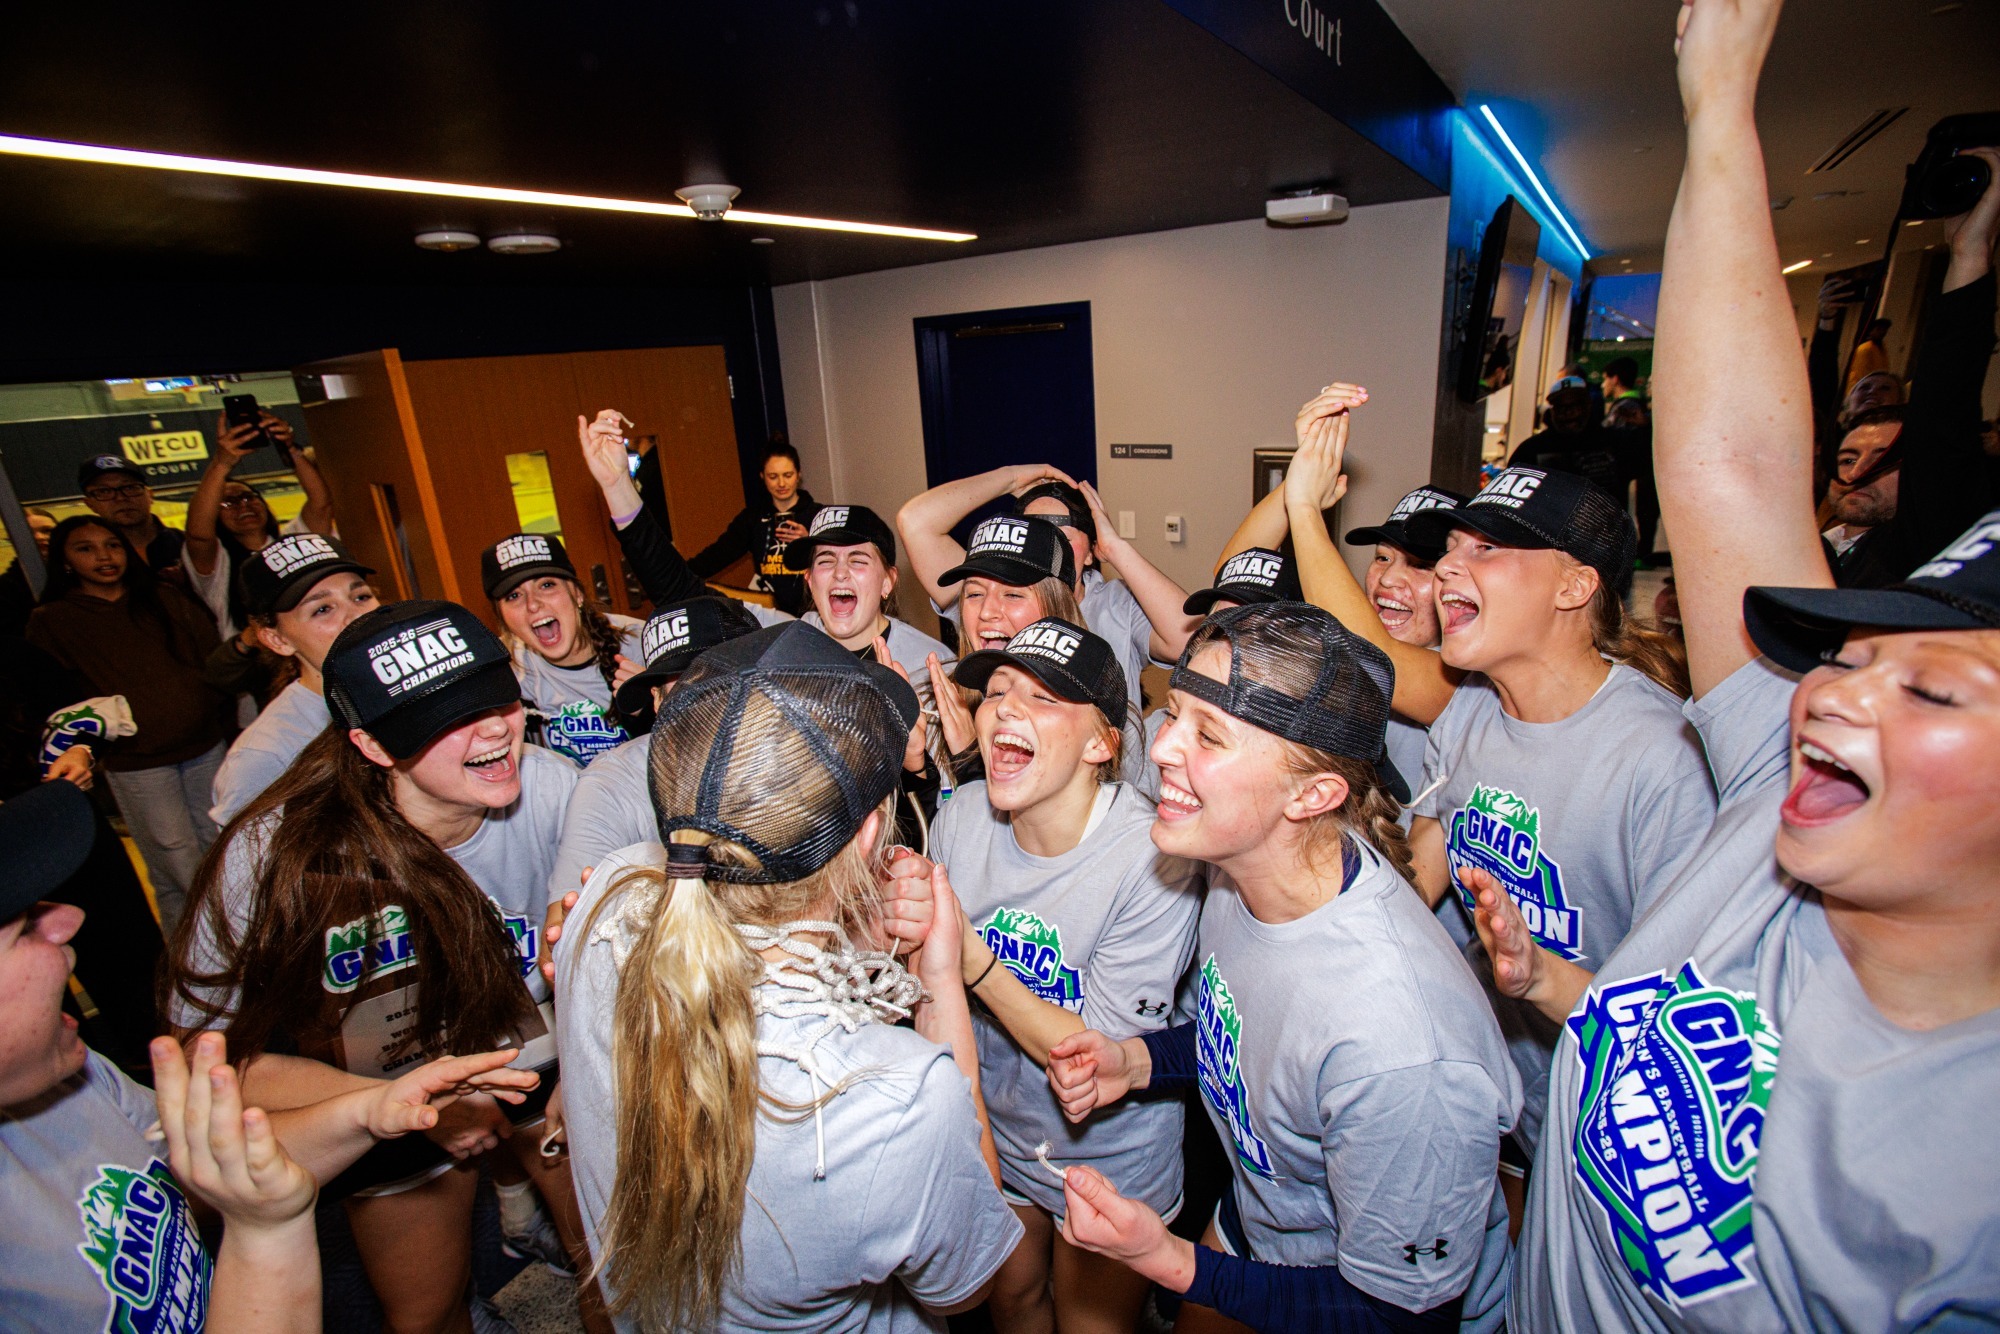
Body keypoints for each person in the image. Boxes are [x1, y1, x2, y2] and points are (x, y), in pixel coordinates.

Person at [1514, 4, 2000, 1326]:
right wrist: (1718, 101)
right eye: (1855, 655)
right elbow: (1732, 466)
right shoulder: (1778, 811)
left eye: (1939, 687)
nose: (1839, 691)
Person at [1045, 603, 1520, 1333]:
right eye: (1175, 715)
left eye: (1210, 736)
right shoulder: (1237, 869)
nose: (1164, 748)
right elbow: (1248, 1032)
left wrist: (1168, 1262)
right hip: (1265, 1218)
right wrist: (1134, 1061)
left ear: (1314, 794)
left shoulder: (1402, 1048)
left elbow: (1397, 1312)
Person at [1277, 405, 1716, 1174]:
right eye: (1450, 550)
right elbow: (1423, 866)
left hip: (1626, 1128)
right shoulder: (1474, 711)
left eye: (1487, 550)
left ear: (1576, 586)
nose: (1446, 569)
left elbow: (1691, 1014)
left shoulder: (1661, 757)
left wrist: (1543, 976)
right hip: (1514, 1088)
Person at [554, 620, 1023, 1330]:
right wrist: (940, 986)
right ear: (870, 832)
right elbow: (963, 1284)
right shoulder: (897, 1096)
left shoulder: (602, 899)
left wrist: (856, 936)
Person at [168, 601, 598, 1334]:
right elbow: (204, 1059)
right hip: (374, 1082)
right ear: (369, 744)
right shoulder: (274, 858)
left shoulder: (556, 787)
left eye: (496, 698)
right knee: (426, 1309)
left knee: (605, 1261)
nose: (494, 728)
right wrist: (391, 1104)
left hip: (540, 1058)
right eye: (444, 720)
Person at [0, 778, 540, 1334]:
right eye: (19, 927)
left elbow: (207, 1167)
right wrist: (266, 1232)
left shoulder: (81, 1081)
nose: (69, 919)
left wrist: (374, 1109)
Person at [931, 618, 1200, 1334]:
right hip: (1000, 1126)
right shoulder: (957, 820)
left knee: (1090, 1324)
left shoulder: (1153, 857)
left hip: (1109, 1147)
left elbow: (1100, 1050)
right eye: (996, 691)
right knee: (1013, 1299)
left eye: (1044, 697)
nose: (1007, 708)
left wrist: (974, 964)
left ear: (1101, 743)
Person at [27, 516, 233, 931]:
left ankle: (187, 973)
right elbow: (55, 701)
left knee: (215, 851)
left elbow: (211, 662)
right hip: (137, 763)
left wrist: (208, 709)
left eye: (112, 545)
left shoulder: (164, 598)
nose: (104, 556)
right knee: (180, 863)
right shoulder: (52, 620)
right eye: (85, 548)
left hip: (205, 747)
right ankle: (228, 961)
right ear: (64, 560)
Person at [1819, 156, 1998, 589]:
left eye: (1885, 461)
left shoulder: (1917, 546)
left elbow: (1944, 407)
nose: (1859, 473)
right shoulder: (1816, 542)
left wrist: (1968, 253)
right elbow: (1815, 405)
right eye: (1848, 459)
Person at [899, 466, 1199, 715]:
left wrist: (1116, 548)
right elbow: (916, 522)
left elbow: (1191, 640)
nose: (1048, 555)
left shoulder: (1116, 603)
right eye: (1035, 539)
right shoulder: (993, 594)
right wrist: (1012, 478)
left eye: (1063, 540)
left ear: (1092, 551)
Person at [543, 595, 765, 925]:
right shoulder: (612, 785)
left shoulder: (807, 761)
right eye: (679, 695)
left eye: (719, 687)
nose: (700, 713)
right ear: (657, 703)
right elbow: (561, 944)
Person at [207, 534, 380, 826]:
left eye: (360, 596)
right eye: (322, 609)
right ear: (277, 639)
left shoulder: (422, 693)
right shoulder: (265, 755)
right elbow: (248, 867)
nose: (356, 616)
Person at [482, 532, 645, 766]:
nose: (533, 604)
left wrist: (648, 711)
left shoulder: (639, 642)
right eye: (514, 595)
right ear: (502, 618)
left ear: (577, 594)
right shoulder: (506, 668)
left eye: (547, 585)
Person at [184, 407, 335, 643]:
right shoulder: (218, 564)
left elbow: (321, 503)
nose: (243, 506)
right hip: (255, 665)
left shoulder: (292, 541)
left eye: (249, 497)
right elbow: (198, 535)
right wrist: (222, 463)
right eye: (229, 502)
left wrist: (290, 448)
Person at [785, 503, 957, 701]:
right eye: (825, 561)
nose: (840, 573)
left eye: (857, 560)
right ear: (810, 580)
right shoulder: (790, 646)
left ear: (887, 581)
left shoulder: (930, 667)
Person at [683, 440, 821, 614]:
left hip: (814, 610)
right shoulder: (752, 518)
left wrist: (811, 541)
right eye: (773, 476)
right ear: (762, 476)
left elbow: (839, 557)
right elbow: (718, 555)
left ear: (798, 475)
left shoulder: (818, 514)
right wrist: (677, 575)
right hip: (771, 612)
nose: (781, 483)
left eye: (787, 475)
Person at [1507, 376, 1632, 501]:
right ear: (1552, 411)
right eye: (1560, 407)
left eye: (1575, 405)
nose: (1568, 413)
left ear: (1588, 406)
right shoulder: (1530, 450)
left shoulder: (1616, 442)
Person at [78, 455, 186, 580]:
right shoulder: (88, 562)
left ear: (150, 495)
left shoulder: (189, 544)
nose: (120, 498)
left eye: (129, 487)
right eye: (104, 491)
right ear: (89, 504)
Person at [1843, 314, 1892, 393]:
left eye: (1884, 329)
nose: (1882, 332)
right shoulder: (1865, 348)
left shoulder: (1882, 348)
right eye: (1879, 329)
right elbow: (1862, 374)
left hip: (1873, 388)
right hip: (1860, 390)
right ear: (1871, 331)